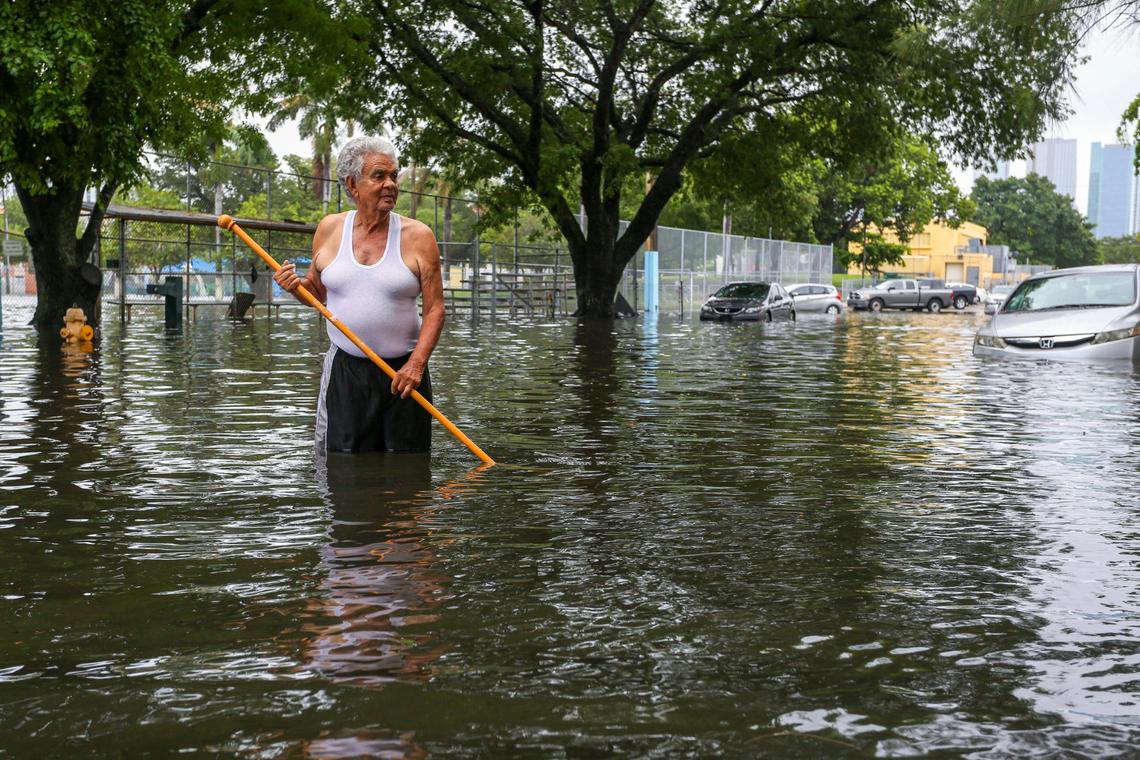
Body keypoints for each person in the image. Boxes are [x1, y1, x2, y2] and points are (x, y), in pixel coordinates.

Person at [273, 136, 445, 453]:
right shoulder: (329, 229)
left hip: (404, 374)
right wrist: (295, 286)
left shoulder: (419, 236)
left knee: (408, 471)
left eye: (394, 176)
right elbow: (317, 293)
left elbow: (435, 310)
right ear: (353, 184)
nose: (391, 184)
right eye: (379, 176)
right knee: (343, 466)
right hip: (345, 371)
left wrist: (417, 365)